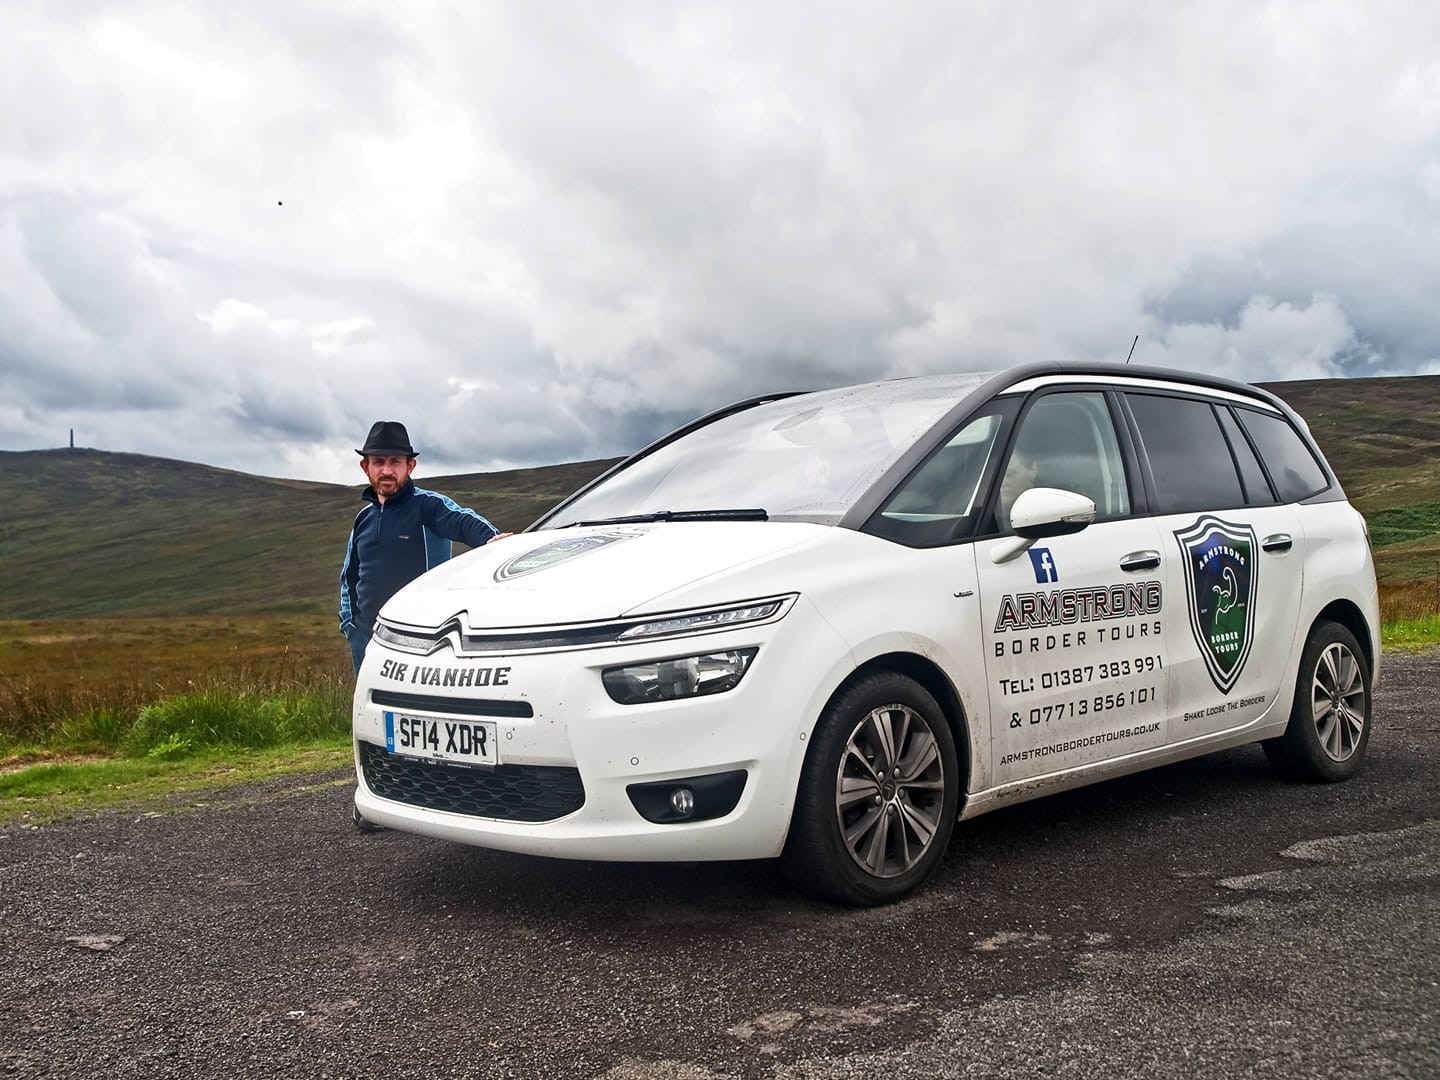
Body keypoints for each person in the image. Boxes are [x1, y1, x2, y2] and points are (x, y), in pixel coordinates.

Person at [339, 420, 508, 674]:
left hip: (418, 637)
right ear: (366, 467)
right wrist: (351, 627)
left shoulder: (428, 506)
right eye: (379, 462)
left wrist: (492, 540)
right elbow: (350, 576)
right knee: (369, 710)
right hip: (366, 639)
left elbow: (462, 521)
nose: (386, 470)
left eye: (395, 462)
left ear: (410, 466)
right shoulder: (364, 518)